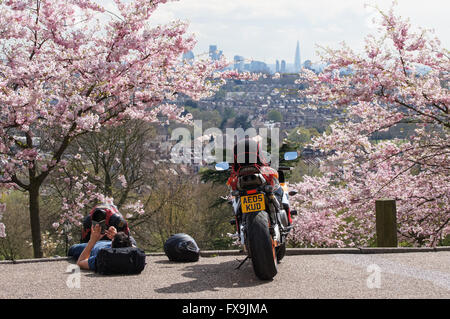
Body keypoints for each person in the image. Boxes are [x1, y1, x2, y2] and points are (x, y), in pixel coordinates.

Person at [68, 224, 134, 271]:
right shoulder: (133, 255)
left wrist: (92, 241)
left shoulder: (103, 257)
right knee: (133, 241)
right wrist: (116, 236)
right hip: (107, 244)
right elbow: (133, 246)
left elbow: (80, 262)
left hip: (94, 246)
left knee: (72, 248)